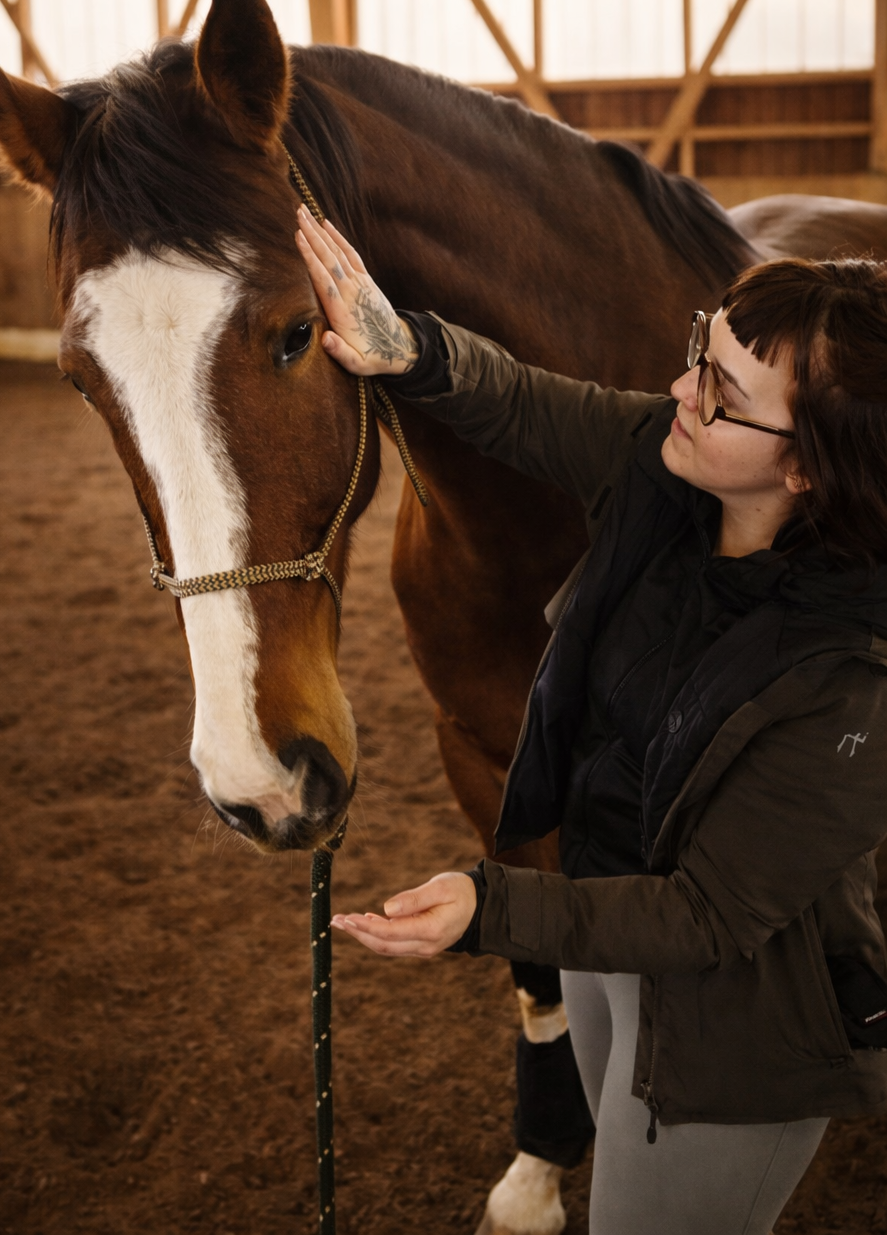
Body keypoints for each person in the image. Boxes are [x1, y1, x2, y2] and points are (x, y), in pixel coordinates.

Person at [294, 205, 887, 1235]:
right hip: (602, 927)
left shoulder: (851, 682)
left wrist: (489, 911)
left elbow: (703, 920)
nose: (679, 391)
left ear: (806, 469)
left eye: (721, 393)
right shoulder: (668, 471)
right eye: (699, 355)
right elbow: (520, 403)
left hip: (728, 1027)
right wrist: (408, 347)